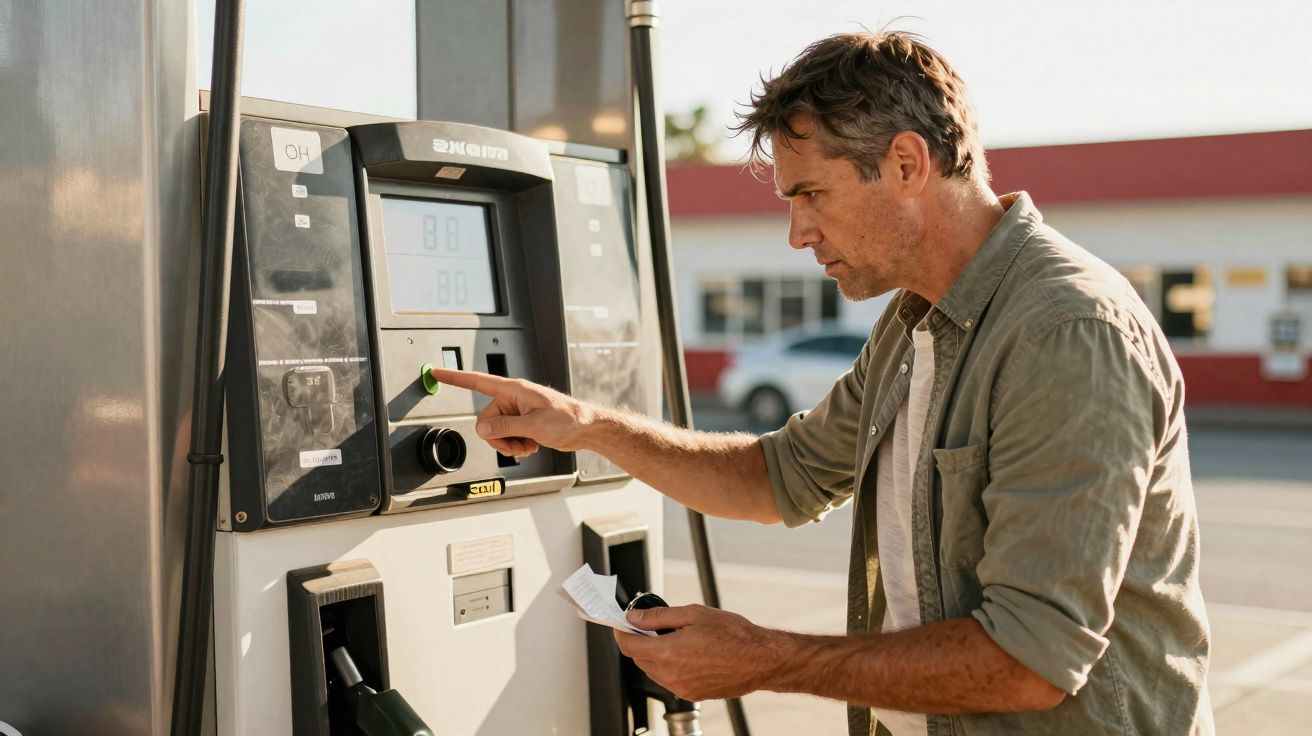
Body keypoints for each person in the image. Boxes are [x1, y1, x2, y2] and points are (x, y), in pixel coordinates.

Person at [431, 31, 1213, 736]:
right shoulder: (914, 321)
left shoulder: (1064, 332)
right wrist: (587, 426)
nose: (798, 232)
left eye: (811, 195)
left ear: (906, 164)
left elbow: (1029, 659)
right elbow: (779, 476)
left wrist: (766, 659)